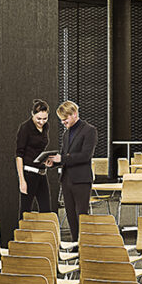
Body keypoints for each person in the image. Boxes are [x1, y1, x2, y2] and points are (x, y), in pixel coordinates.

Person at [49, 100, 98, 240]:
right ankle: (75, 244)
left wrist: (62, 158)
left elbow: (85, 155)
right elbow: (64, 157)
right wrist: (53, 163)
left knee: (81, 215)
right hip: (66, 180)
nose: (63, 122)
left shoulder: (89, 130)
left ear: (74, 114)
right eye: (61, 120)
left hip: (81, 180)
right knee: (70, 214)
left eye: (65, 118)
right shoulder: (66, 134)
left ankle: (84, 244)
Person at [14, 100, 52, 214]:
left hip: (42, 173)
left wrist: (46, 159)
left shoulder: (46, 127)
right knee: (25, 211)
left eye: (45, 118)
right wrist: (22, 180)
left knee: (46, 210)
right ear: (32, 114)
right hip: (29, 173)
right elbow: (19, 155)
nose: (42, 122)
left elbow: (39, 149)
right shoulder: (25, 128)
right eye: (38, 118)